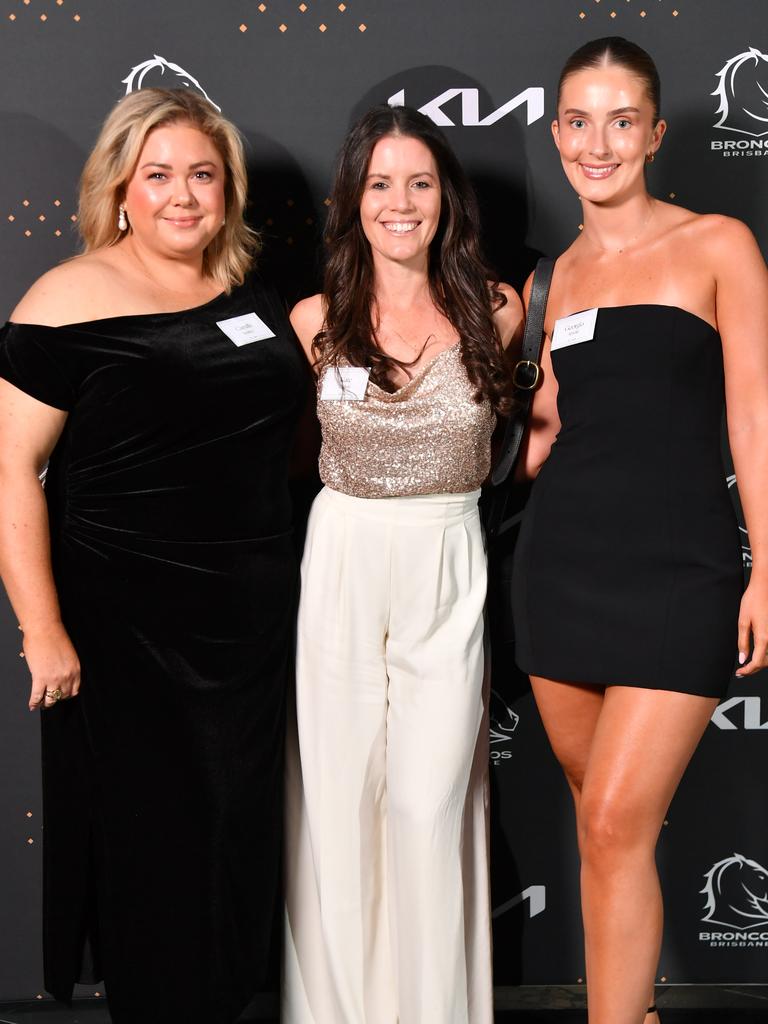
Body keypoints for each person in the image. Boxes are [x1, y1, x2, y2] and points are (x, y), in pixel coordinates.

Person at [0, 88, 306, 1024]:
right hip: (127, 634)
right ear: (121, 189)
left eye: (202, 176)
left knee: (233, 850)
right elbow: (12, 473)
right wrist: (43, 631)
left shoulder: (249, 297)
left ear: (228, 191)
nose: (183, 196)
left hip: (250, 635)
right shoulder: (65, 295)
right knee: (153, 856)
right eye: (159, 176)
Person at [511, 36, 768, 1024]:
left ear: (656, 132)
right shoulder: (554, 280)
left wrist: (764, 568)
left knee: (616, 819)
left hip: (681, 572)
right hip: (560, 570)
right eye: (579, 121)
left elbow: (751, 417)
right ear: (556, 133)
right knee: (605, 830)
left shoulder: (718, 243)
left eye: (622, 121)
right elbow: (544, 434)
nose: (598, 142)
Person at [283, 104, 523, 1023]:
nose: (400, 201)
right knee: (339, 804)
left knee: (428, 807)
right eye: (380, 183)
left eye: (419, 182)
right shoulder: (314, 318)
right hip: (342, 553)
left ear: (446, 199)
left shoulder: (497, 309)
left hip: (447, 557)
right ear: (353, 199)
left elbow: (536, 437)